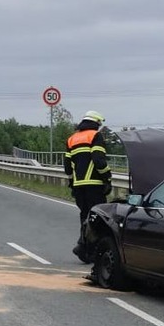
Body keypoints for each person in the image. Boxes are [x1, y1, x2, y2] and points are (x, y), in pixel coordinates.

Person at [64, 110, 111, 259]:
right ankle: (88, 248)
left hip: (78, 186)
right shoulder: (95, 136)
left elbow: (67, 167)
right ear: (96, 123)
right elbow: (98, 161)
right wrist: (107, 177)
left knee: (85, 216)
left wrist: (72, 182)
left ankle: (85, 249)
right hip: (94, 184)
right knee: (98, 218)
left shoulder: (71, 139)